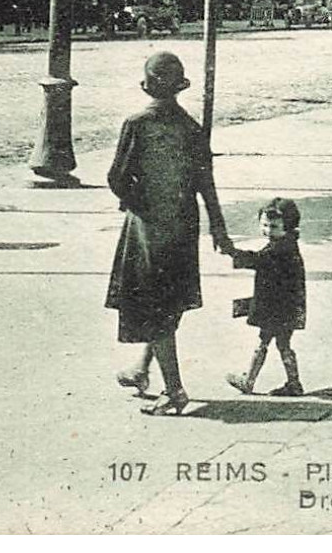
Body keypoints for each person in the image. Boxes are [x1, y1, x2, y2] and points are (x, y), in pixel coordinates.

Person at [105, 51, 231, 416]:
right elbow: (206, 183)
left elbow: (116, 178)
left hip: (148, 227)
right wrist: (219, 231)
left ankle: (174, 390)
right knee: (167, 300)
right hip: (184, 225)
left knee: (152, 302)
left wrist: (135, 199)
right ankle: (143, 369)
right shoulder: (191, 128)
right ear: (179, 87)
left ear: (146, 85)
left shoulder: (136, 124)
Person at [224, 197, 307, 397]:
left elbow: (258, 260)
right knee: (283, 344)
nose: (268, 230)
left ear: (288, 226)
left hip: (276, 308)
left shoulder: (279, 248)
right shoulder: (286, 244)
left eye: (274, 226)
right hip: (286, 307)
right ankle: (294, 382)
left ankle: (249, 380)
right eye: (265, 225)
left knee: (263, 341)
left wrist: (232, 252)